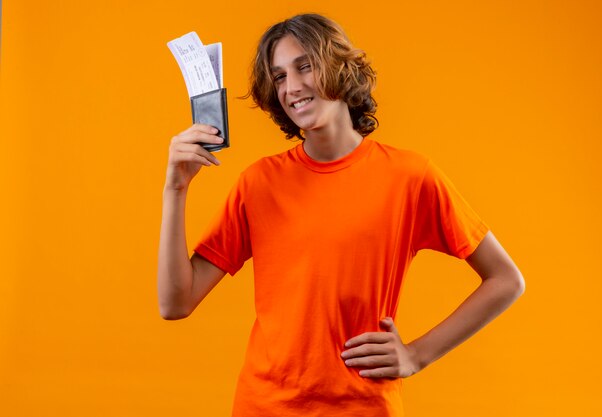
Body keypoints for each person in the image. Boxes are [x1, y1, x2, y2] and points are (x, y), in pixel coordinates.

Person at [158, 13, 525, 417]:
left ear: (339, 67)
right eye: (279, 77)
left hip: (364, 407)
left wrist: (417, 354)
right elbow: (176, 303)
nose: (292, 87)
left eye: (305, 66)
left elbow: (506, 280)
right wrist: (176, 188)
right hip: (263, 407)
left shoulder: (409, 177)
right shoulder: (258, 183)